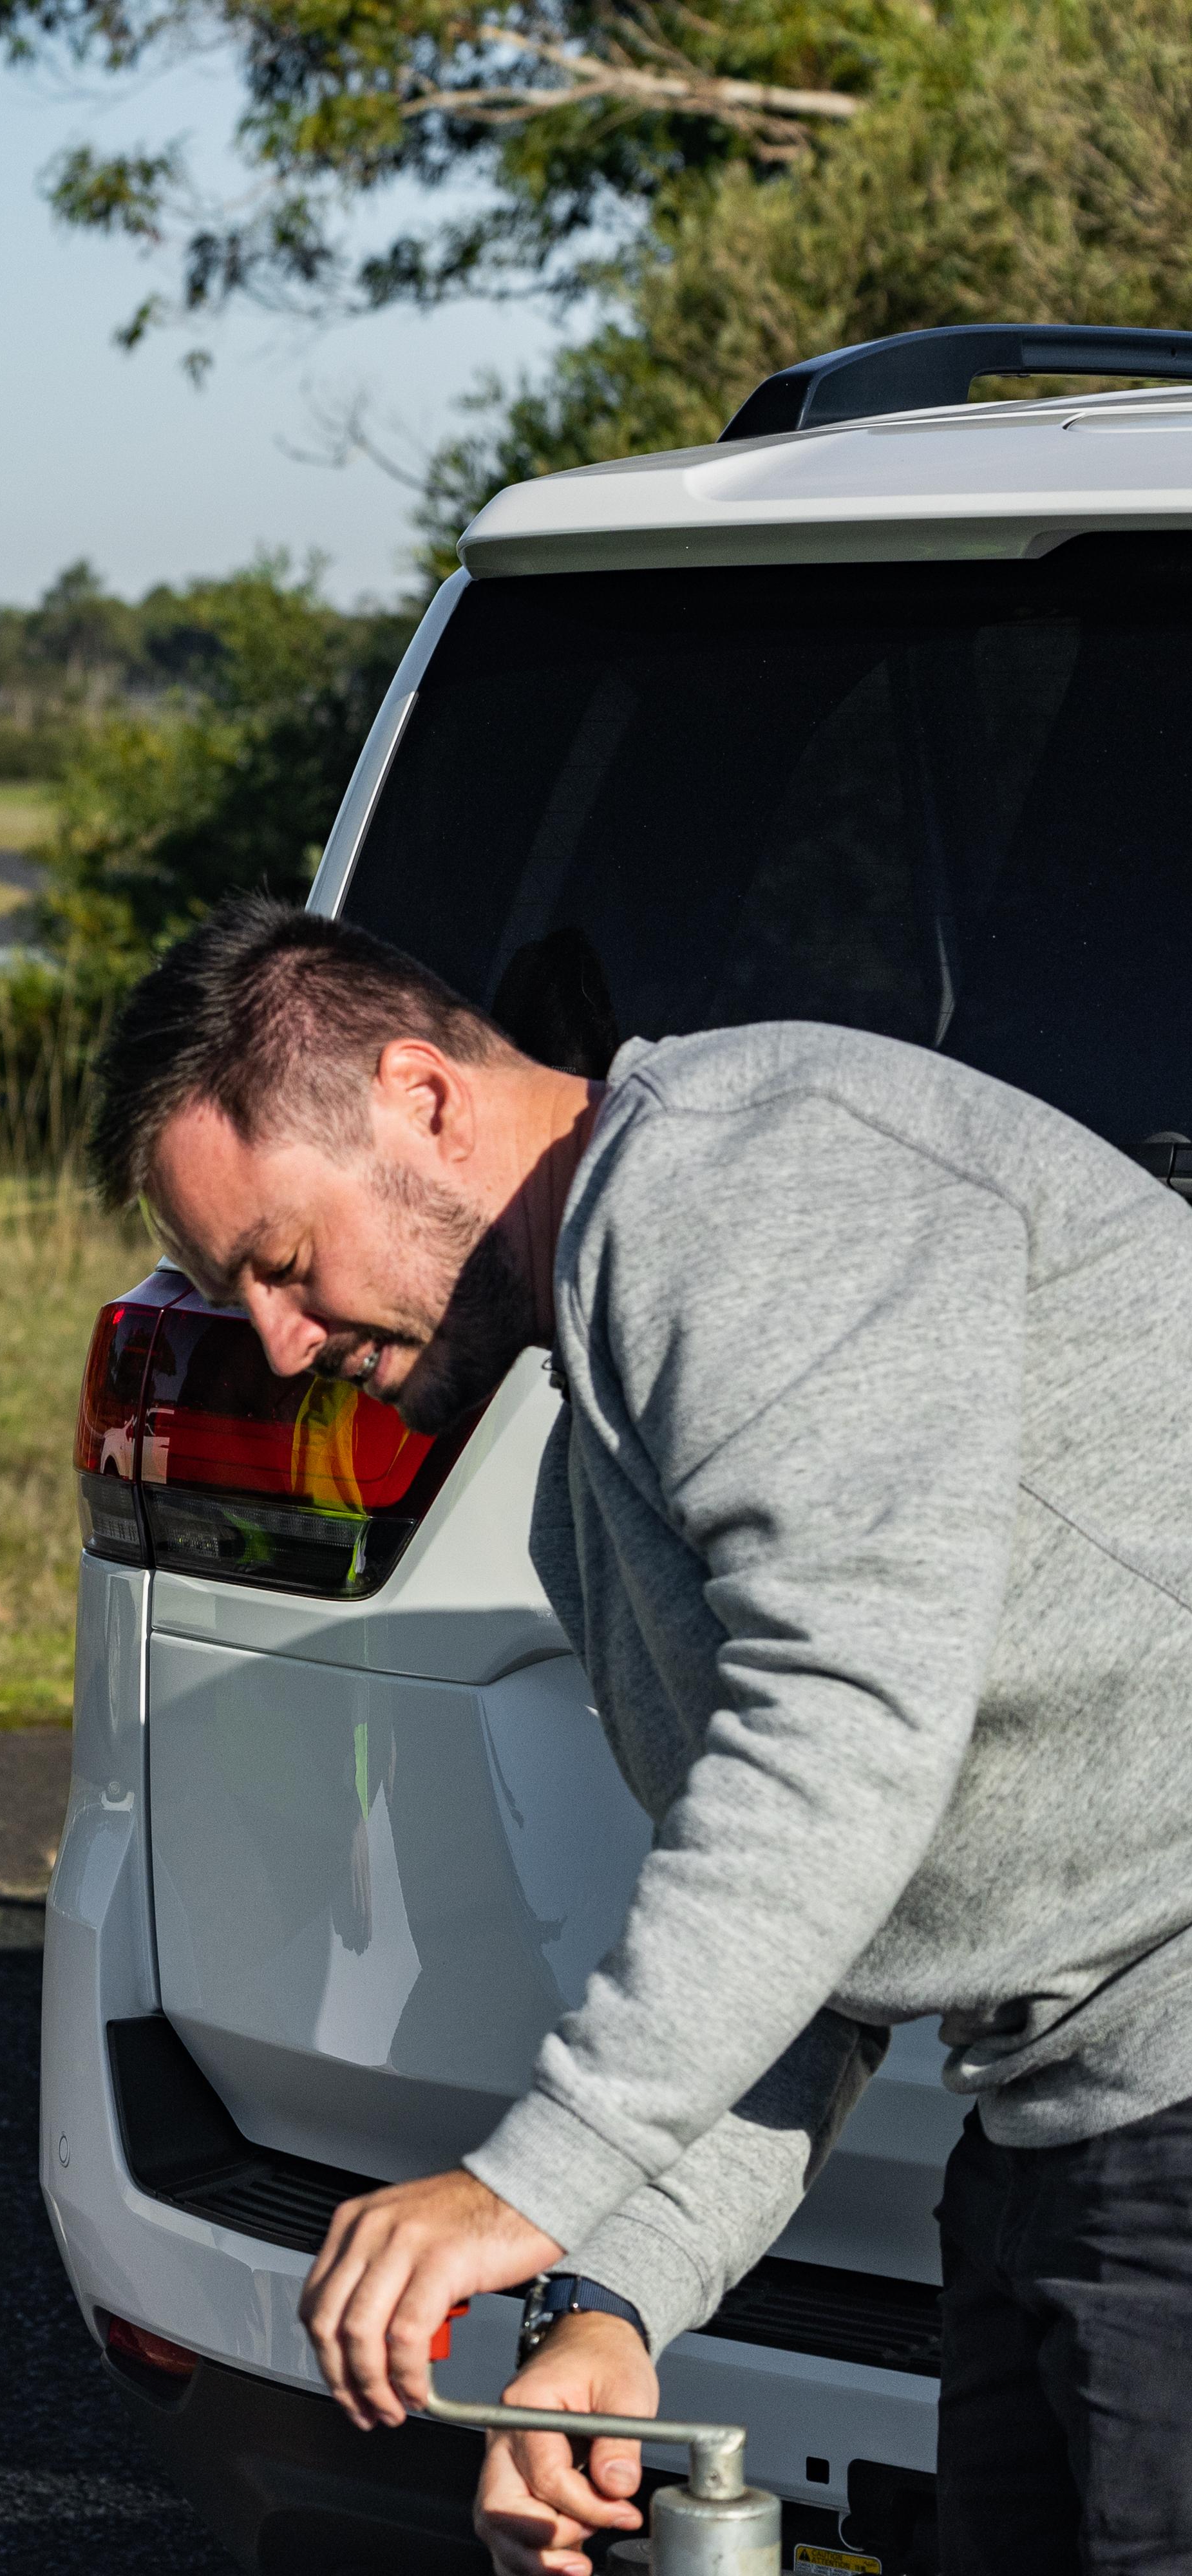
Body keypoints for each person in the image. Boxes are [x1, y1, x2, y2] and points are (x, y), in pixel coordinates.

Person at [84, 894, 1192, 2575]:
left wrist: (528, 2182)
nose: (288, 1348)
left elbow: (833, 1753)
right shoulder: (586, 1488)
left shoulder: (756, 1182)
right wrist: (609, 2304)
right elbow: (818, 1940)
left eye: (285, 1268)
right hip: (1064, 2132)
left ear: (423, 1099)